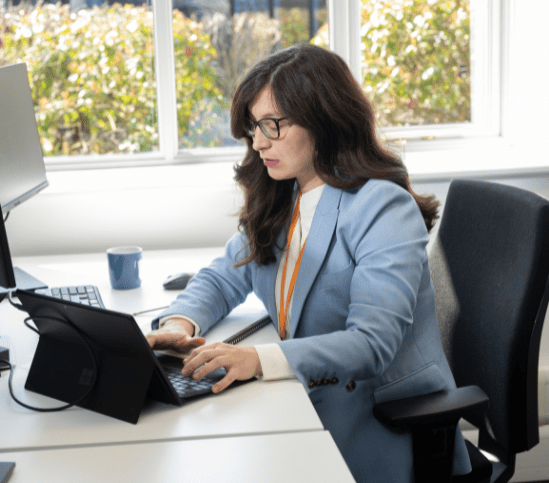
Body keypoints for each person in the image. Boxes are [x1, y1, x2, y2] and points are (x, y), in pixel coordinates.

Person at [146, 44, 471, 482]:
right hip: (300, 398)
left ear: (324, 119)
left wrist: (258, 359)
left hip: (377, 423)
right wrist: (180, 324)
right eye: (253, 126)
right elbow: (225, 275)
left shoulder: (381, 208)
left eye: (272, 125)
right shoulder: (284, 193)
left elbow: (371, 343)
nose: (258, 141)